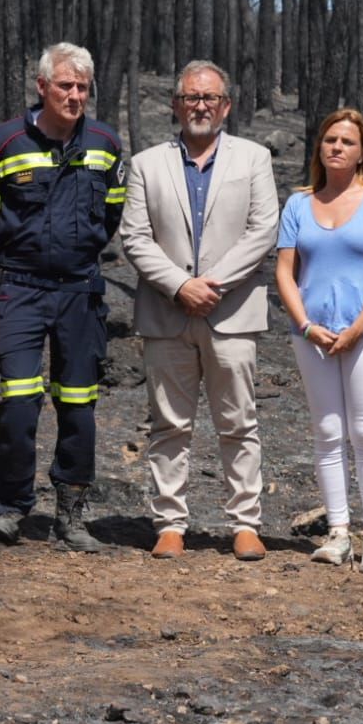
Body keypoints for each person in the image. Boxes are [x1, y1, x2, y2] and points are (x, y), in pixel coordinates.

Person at [0, 43, 126, 552]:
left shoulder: (105, 142)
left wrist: (78, 252)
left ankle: (72, 515)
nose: (75, 95)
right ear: (42, 87)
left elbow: (112, 216)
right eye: (65, 86)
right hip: (22, 288)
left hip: (81, 290)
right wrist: (17, 256)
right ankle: (9, 508)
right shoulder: (4, 141)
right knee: (18, 400)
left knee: (78, 406)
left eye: (82, 87)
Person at [120, 61, 279, 561]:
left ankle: (245, 523)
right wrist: (179, 286)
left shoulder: (254, 158)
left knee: (239, 423)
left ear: (226, 105)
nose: (201, 106)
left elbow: (263, 231)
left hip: (232, 312)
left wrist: (211, 284)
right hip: (167, 314)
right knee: (169, 424)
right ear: (176, 104)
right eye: (191, 98)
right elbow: (135, 237)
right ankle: (170, 523)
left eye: (210, 98)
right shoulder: (147, 164)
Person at [276, 109, 363, 574]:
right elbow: (284, 273)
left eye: (347, 142)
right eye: (329, 139)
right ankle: (337, 532)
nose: (336, 147)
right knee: (328, 431)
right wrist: (307, 325)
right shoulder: (298, 205)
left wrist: (357, 329)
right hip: (311, 335)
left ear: (362, 151)